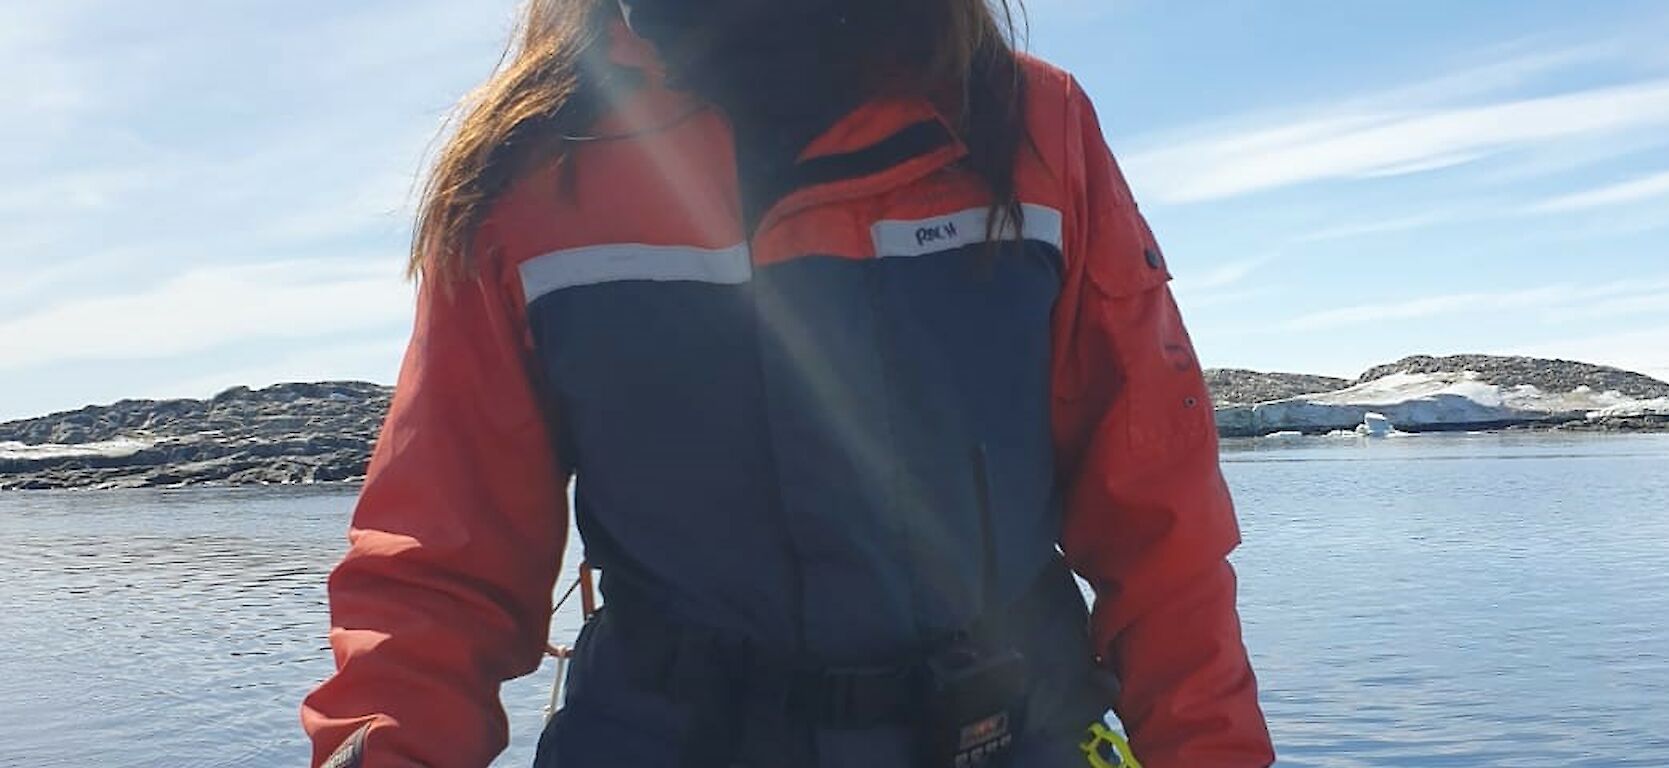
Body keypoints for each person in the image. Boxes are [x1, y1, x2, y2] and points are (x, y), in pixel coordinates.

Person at [301, 0, 1273, 765]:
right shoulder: (525, 170)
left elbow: (1163, 535)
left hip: (1012, 736)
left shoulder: (1033, 129)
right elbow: (434, 577)